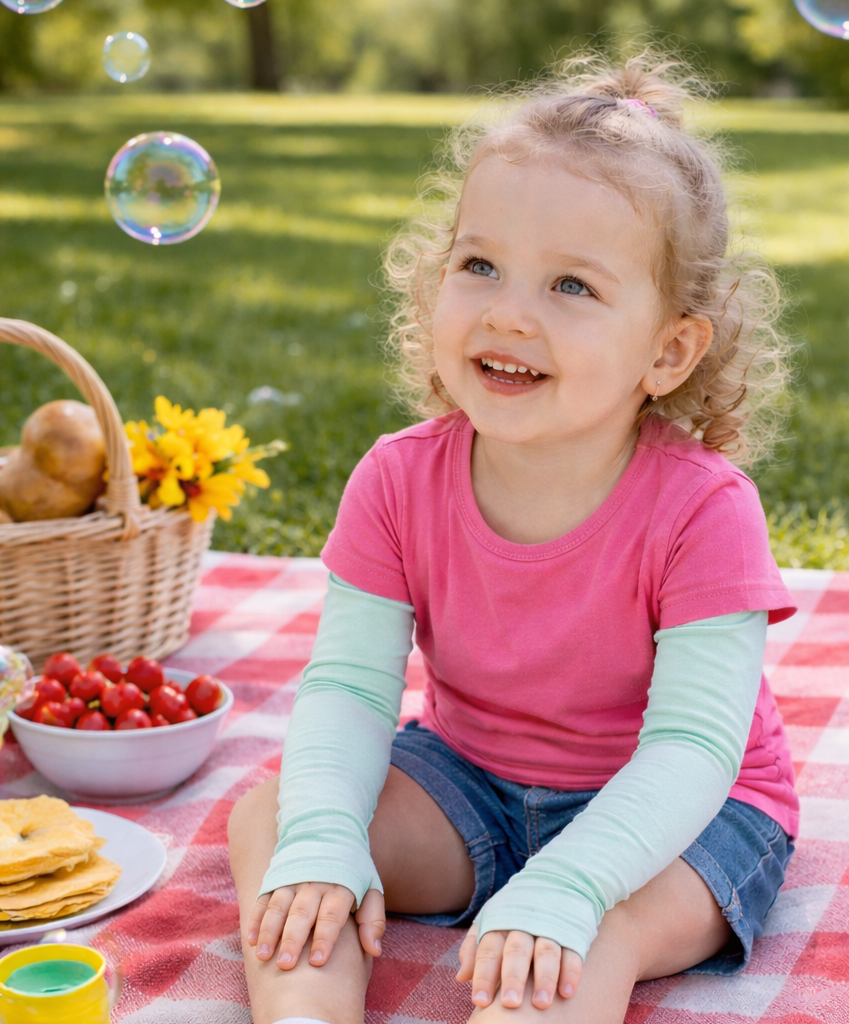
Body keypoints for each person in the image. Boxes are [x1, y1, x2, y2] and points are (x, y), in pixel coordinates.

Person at [228, 49, 799, 1024]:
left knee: (595, 938)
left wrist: (571, 887)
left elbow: (693, 749)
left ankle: (559, 951)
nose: (507, 311)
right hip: (473, 782)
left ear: (667, 350)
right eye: (480, 264)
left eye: (570, 286)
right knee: (277, 820)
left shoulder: (703, 506)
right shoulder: (398, 477)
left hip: (683, 813)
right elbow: (351, 689)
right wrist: (328, 837)